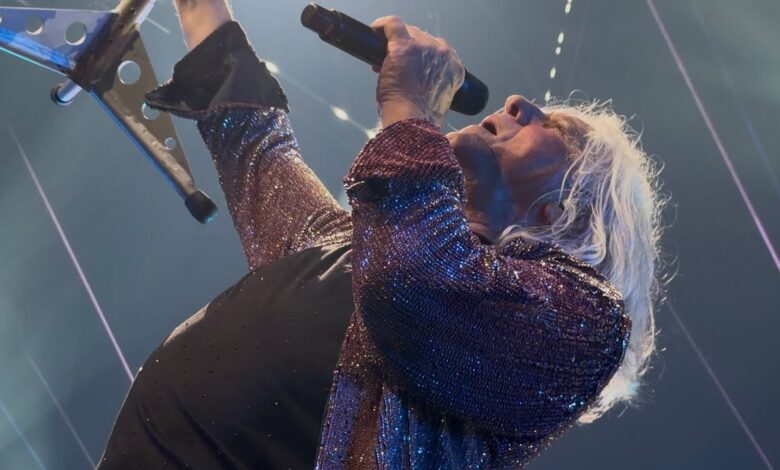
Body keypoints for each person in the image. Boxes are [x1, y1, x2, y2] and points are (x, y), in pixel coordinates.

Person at [99, 0, 663, 468]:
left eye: (557, 129)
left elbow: (416, 281)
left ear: (571, 211)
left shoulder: (586, 326)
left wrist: (410, 102)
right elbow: (254, 143)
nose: (521, 103)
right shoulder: (347, 248)